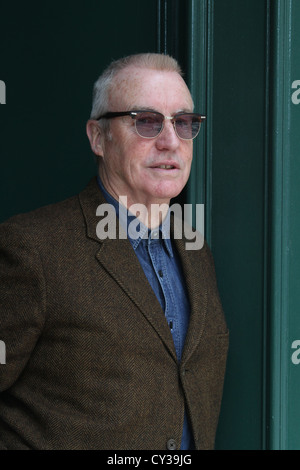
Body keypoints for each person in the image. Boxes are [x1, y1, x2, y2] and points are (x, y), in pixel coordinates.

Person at [0, 53, 228, 450]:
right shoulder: (31, 248)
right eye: (146, 121)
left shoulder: (196, 249)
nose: (170, 141)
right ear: (97, 137)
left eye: (183, 122)